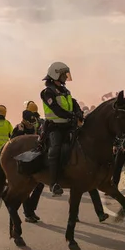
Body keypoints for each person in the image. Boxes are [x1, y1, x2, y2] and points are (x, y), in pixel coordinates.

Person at [40, 61, 83, 196]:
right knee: (55, 150)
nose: (66, 77)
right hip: (55, 128)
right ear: (55, 74)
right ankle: (54, 183)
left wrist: (79, 113)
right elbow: (56, 109)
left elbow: (74, 103)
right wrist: (71, 116)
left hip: (69, 126)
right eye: (64, 75)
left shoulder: (65, 91)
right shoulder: (47, 92)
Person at [11, 109, 43, 222]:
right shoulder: (19, 128)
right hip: (22, 161)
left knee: (40, 185)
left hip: (33, 159)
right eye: (29, 121)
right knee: (25, 188)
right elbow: (12, 143)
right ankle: (28, 214)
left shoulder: (33, 128)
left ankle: (30, 210)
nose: (31, 123)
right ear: (24, 120)